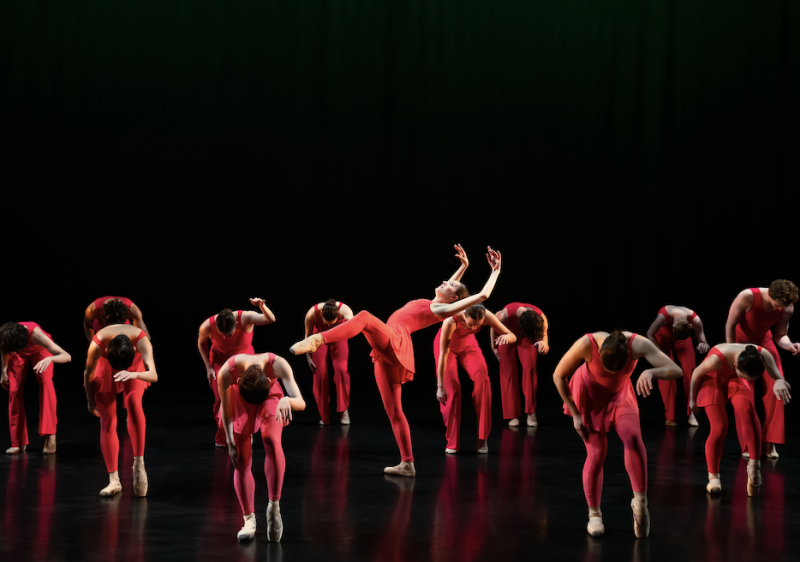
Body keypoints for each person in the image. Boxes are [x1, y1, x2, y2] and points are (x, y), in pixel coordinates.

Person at [290, 245, 502, 477]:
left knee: (364, 317)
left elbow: (481, 296)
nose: (445, 281)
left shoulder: (442, 310)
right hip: (389, 352)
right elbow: (453, 290)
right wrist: (464, 267)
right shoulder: (436, 302)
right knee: (395, 411)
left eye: (450, 285)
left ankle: (318, 339)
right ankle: (407, 463)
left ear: (453, 298)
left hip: (395, 341)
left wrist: (495, 271)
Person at [553, 330, 682, 538]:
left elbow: (676, 370)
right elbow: (558, 375)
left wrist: (651, 372)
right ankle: (594, 514)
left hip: (620, 393)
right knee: (597, 454)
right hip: (590, 394)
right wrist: (576, 413)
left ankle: (640, 503)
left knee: (633, 437)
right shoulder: (587, 344)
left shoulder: (637, 344)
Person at [218, 351, 305, 542]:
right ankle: (249, 519)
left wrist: (287, 400)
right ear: (238, 379)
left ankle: (274, 508)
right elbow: (226, 406)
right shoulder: (226, 373)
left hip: (270, 396)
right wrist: (230, 440)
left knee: (271, 439)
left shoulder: (278, 365)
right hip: (240, 398)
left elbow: (301, 402)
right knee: (240, 459)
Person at [688, 343, 791, 496]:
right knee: (719, 427)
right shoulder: (716, 359)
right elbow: (696, 373)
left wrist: (779, 382)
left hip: (735, 377)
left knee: (747, 409)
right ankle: (713, 477)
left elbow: (781, 379)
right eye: (745, 376)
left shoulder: (762, 355)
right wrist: (691, 400)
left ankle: (754, 467)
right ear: (736, 364)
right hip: (713, 377)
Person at [725, 279, 799, 458]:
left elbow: (780, 335)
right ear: (770, 295)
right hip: (740, 343)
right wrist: (733, 351)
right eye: (776, 305)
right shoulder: (747, 297)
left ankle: (769, 443)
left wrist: (789, 345)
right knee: (744, 393)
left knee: (778, 388)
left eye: (782, 306)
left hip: (764, 342)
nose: (779, 309)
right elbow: (730, 325)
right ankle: (748, 445)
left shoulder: (787, 307)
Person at [83, 321, 158, 497]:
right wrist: (90, 399)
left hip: (135, 367)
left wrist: (134, 374)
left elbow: (153, 375)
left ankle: (139, 466)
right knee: (107, 420)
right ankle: (114, 479)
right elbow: (88, 373)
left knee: (133, 402)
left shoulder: (141, 341)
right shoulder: (97, 345)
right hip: (105, 364)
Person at [434, 304, 515, 454]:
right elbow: (443, 356)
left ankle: (482, 438)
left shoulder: (486, 315)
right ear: (464, 315)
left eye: (477, 325)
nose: (473, 328)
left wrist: (507, 337)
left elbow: (512, 335)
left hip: (468, 345)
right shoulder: (450, 321)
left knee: (483, 381)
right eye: (470, 324)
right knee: (452, 390)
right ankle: (452, 442)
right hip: (446, 349)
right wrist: (440, 386)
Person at [197, 298, 276, 446]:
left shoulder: (245, 318)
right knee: (222, 399)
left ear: (236, 324)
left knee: (245, 396)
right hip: (220, 361)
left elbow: (270, 319)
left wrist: (262, 305)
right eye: (221, 334)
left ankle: (244, 432)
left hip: (244, 361)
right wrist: (208, 367)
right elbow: (201, 343)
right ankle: (224, 436)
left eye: (229, 334)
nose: (225, 337)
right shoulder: (207, 325)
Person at [1, 322, 71, 454]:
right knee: (13, 390)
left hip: (40, 350)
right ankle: (18, 442)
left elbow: (67, 356)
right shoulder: (8, 335)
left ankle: (50, 436)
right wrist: (4, 371)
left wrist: (50, 359)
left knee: (46, 384)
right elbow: (4, 348)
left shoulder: (38, 336)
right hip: (19, 351)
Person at [645, 305, 710, 426]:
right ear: (673, 326)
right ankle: (670, 417)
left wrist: (703, 344)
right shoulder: (663, 317)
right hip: (662, 337)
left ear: (690, 326)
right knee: (666, 371)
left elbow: (703, 340)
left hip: (682, 339)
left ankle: (690, 412)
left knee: (690, 371)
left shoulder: (695, 320)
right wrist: (659, 352)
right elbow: (650, 333)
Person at [489, 302, 550, 427]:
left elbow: (545, 347)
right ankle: (512, 415)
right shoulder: (504, 315)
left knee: (530, 369)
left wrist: (543, 345)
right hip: (507, 334)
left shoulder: (541, 318)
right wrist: (494, 347)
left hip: (527, 337)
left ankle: (531, 412)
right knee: (507, 372)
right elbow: (493, 325)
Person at [301, 299, 354, 425]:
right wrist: (308, 357)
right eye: (326, 322)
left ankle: (344, 410)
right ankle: (324, 415)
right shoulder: (312, 314)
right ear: (321, 314)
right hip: (319, 338)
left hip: (339, 336)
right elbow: (307, 336)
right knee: (319, 374)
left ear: (338, 315)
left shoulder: (346, 311)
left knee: (341, 370)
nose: (329, 325)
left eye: (332, 323)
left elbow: (354, 328)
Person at [83, 296, 150, 341]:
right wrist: (93, 343)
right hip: (100, 329)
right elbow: (87, 326)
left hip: (124, 330)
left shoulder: (133, 310)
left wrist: (145, 346)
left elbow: (145, 336)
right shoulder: (91, 310)